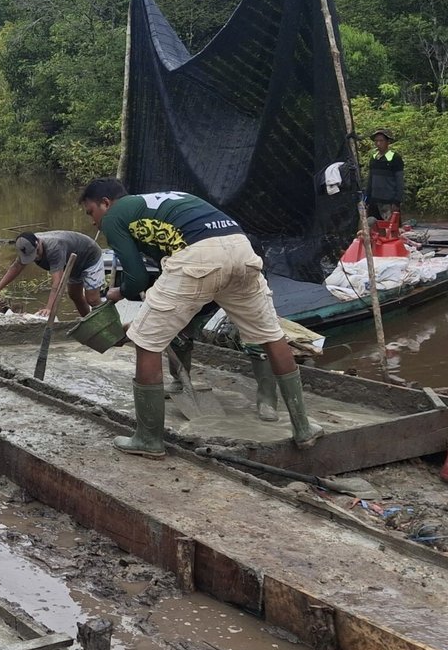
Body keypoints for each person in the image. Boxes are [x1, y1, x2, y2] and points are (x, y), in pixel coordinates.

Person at [79, 178, 322, 456]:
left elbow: (136, 278)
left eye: (91, 212)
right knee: (270, 335)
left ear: (106, 203)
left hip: (199, 256)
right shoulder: (165, 200)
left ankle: (148, 439)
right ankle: (303, 428)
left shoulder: (114, 217)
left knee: (146, 342)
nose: (93, 222)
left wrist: (118, 292)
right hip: (241, 248)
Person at [0, 230, 104, 318]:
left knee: (92, 299)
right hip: (72, 264)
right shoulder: (25, 246)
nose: (35, 258)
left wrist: (49, 308)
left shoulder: (54, 248)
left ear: (38, 244)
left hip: (89, 256)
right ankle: (89, 322)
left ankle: (108, 323)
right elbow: (16, 266)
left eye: (35, 254)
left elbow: (57, 282)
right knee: (75, 295)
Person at [365, 129, 404, 221]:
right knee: (373, 226)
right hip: (374, 201)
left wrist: (397, 202)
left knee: (391, 227)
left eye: (381, 141)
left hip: (389, 202)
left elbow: (400, 182)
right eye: (376, 141)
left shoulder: (395, 158)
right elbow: (370, 180)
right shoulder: (374, 158)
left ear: (388, 142)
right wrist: (367, 199)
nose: (378, 143)